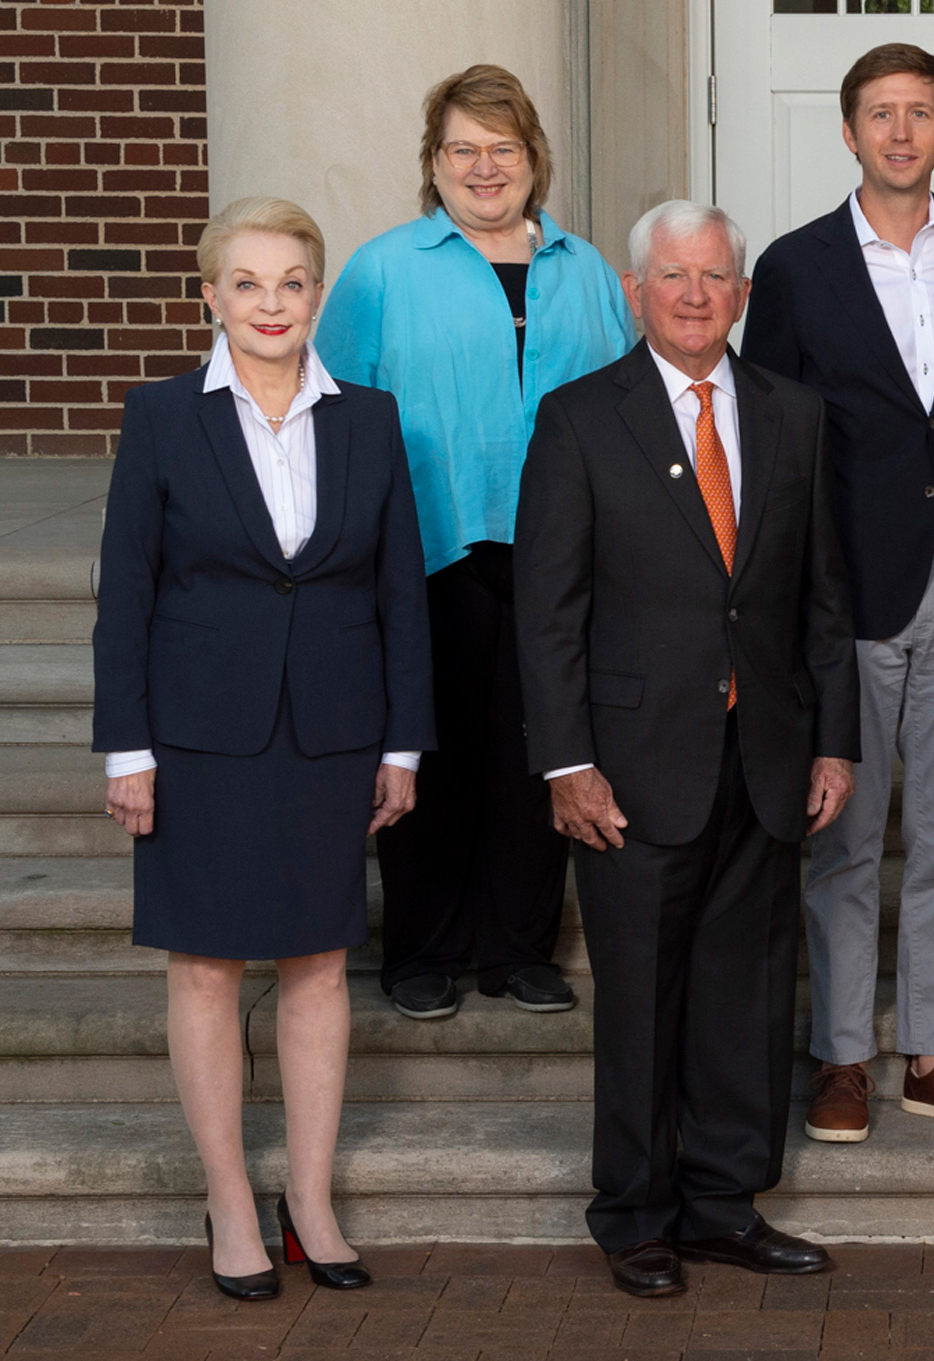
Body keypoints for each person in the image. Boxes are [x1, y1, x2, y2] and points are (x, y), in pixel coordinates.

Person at [515, 200, 860, 1298]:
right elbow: (548, 612)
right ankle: (633, 1212)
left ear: (742, 294)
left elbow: (822, 599)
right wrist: (566, 762)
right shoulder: (578, 419)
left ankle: (721, 1204)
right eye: (674, 275)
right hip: (628, 765)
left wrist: (834, 743)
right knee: (639, 997)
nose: (696, 294)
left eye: (716, 276)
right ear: (635, 289)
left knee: (748, 994)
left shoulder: (792, 413)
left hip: (762, 755)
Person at [94, 197, 433, 1301]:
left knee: (320, 963)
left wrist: (404, 744)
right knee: (203, 966)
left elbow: (397, 596)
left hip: (333, 734)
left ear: (316, 293)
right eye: (246, 282)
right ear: (210, 296)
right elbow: (126, 596)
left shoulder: (370, 420)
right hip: (197, 739)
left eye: (290, 281)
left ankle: (315, 1198)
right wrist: (124, 749)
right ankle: (231, 1197)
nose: (271, 302)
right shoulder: (160, 417)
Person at [743, 42, 934, 1145]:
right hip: (843, 590)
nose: (901, 132)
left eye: (921, 113)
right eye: (880, 113)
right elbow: (772, 442)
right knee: (847, 837)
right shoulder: (793, 265)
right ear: (849, 130)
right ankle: (841, 1058)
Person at [317, 64, 634, 1022]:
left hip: (563, 554)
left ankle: (518, 948)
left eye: (503, 149)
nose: (484, 167)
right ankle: (421, 949)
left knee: (538, 750)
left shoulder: (585, 270)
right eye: (463, 148)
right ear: (434, 162)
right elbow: (332, 410)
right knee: (430, 754)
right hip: (428, 544)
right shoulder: (384, 268)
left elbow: (626, 405)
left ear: (535, 159)